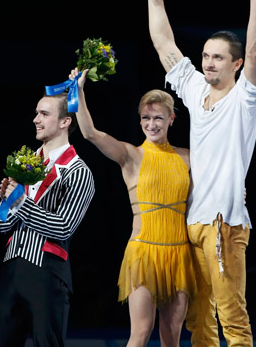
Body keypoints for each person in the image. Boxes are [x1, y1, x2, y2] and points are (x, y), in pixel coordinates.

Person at [146, 0, 256, 347]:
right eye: (205, 56)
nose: (209, 63)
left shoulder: (245, 99)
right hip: (194, 221)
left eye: (218, 57)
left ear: (236, 64)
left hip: (224, 223)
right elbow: (164, 43)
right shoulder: (196, 90)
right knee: (199, 321)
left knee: (232, 317)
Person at [69, 68, 195, 347]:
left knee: (172, 338)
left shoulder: (189, 157)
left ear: (171, 119)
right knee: (140, 333)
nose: (152, 124)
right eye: (146, 118)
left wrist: (238, 193)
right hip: (143, 253)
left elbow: (211, 190)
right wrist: (78, 91)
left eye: (158, 118)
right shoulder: (131, 155)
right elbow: (90, 134)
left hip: (179, 254)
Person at [0, 90, 95, 347]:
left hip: (47, 271)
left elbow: (64, 227)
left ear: (65, 121)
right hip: (11, 267)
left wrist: (20, 202)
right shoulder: (24, 164)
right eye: (37, 113)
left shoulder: (78, 171)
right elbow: (2, 224)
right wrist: (7, 202)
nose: (36, 119)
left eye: (44, 114)